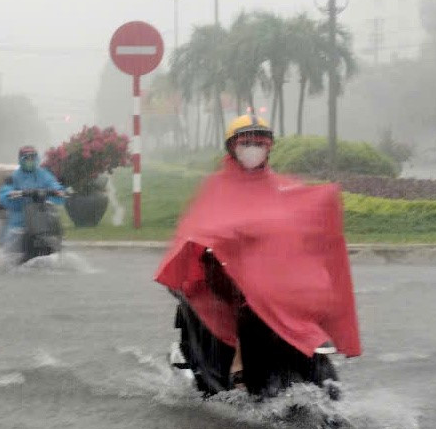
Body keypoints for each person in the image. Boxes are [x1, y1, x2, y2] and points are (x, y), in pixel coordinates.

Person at [154, 113, 361, 391]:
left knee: (297, 306)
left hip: (274, 277)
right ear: (232, 147)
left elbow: (296, 222)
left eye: (259, 143)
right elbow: (202, 225)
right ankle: (238, 363)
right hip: (227, 273)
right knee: (249, 306)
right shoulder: (219, 186)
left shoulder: (281, 186)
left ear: (268, 147)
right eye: (246, 143)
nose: (253, 148)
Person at [0, 145, 66, 251]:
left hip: (41, 217)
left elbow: (53, 184)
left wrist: (58, 191)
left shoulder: (43, 174)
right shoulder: (14, 177)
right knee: (12, 246)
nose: (30, 161)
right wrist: (11, 194)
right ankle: (9, 255)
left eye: (32, 158)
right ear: (21, 160)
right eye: (26, 158)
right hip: (19, 222)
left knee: (55, 234)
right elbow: (5, 193)